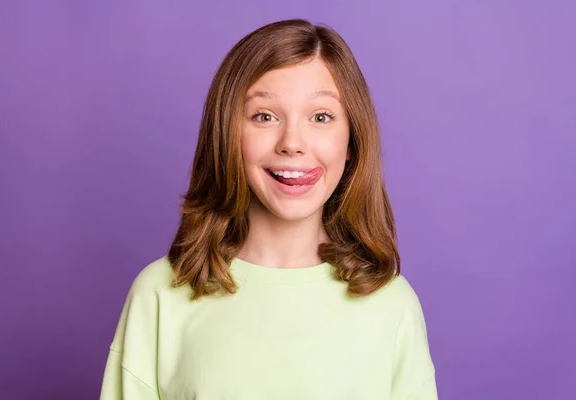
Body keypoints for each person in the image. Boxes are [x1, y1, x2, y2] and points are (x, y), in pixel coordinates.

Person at [100, 18, 438, 400]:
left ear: (352, 142)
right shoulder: (159, 294)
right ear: (227, 134)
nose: (292, 143)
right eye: (264, 116)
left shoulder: (391, 305)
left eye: (321, 117)